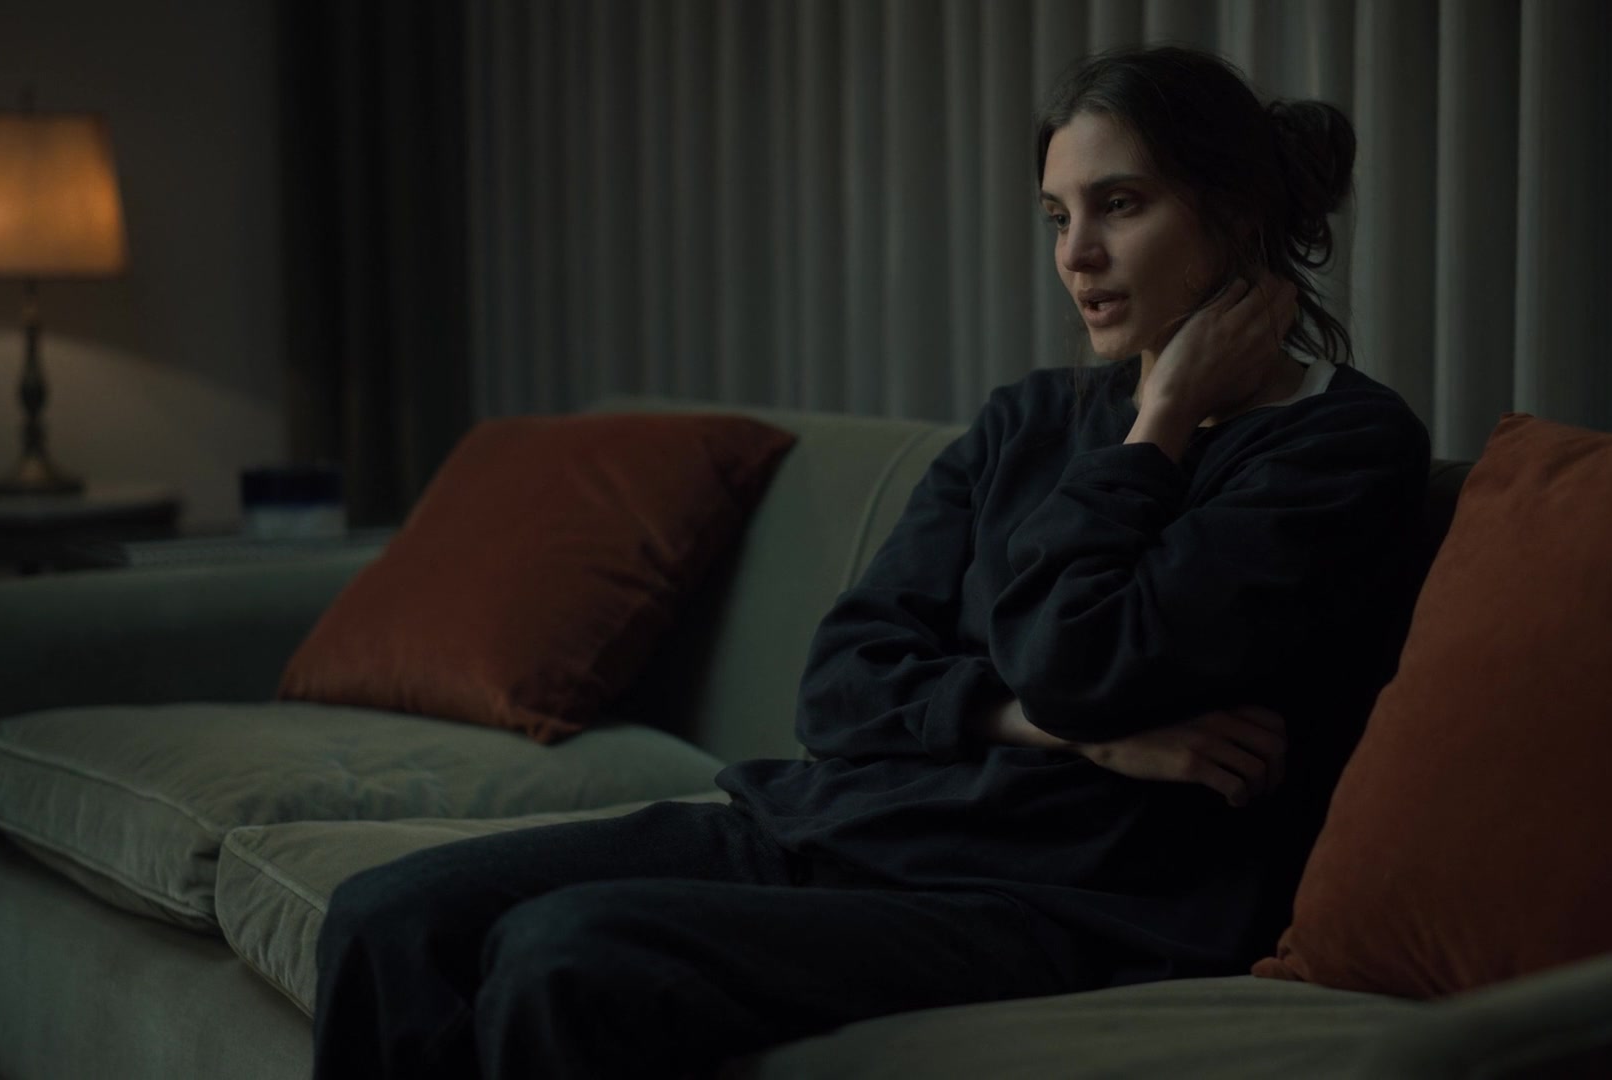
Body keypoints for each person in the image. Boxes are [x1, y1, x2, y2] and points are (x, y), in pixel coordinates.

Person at [312, 44, 1431, 1079]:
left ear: (1235, 214)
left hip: (1056, 897)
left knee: (565, 955)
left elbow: (1080, 655)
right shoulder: (1027, 421)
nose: (1075, 255)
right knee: (384, 917)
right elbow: (841, 679)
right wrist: (1061, 729)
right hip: (839, 823)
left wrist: (1164, 415)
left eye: (1120, 205)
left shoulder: (1339, 448)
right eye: (1057, 216)